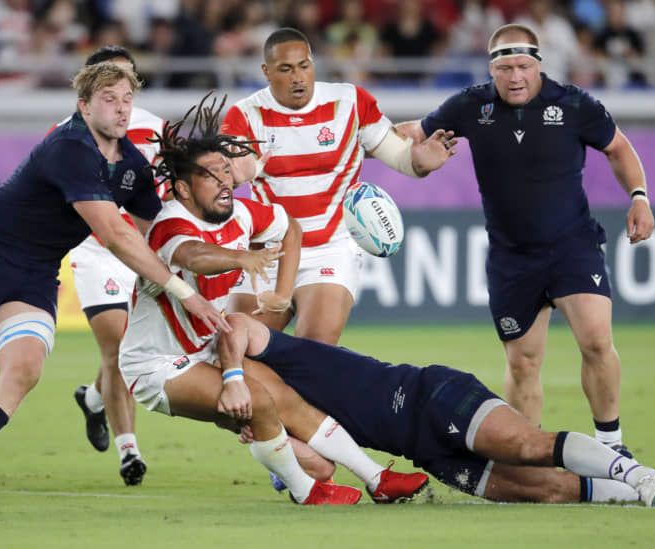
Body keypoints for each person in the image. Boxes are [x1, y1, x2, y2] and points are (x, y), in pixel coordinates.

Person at [0, 61, 228, 510]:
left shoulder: (132, 165)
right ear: (83, 106)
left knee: (24, 370)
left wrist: (216, 201)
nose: (122, 109)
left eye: (127, 99)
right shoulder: (69, 147)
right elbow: (115, 234)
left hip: (35, 273)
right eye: (109, 99)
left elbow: (153, 230)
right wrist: (185, 293)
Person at [117, 95, 431, 505]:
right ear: (182, 188)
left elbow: (292, 229)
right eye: (211, 175)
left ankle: (377, 480)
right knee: (261, 404)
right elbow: (194, 256)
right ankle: (307, 493)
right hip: (156, 365)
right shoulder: (169, 224)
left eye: (227, 170)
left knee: (289, 403)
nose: (225, 181)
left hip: (208, 348)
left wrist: (282, 294)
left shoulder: (241, 213)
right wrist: (242, 257)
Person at [397, 23, 655, 458]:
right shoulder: (469, 105)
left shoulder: (574, 104)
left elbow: (619, 148)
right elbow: (415, 133)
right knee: (523, 363)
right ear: (491, 70)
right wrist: (361, 141)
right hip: (511, 258)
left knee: (595, 339)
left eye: (523, 66)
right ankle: (526, 455)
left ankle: (611, 445)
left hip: (572, 246)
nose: (514, 76)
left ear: (539, 65)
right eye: (504, 68)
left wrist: (640, 197)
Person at [223, 312, 655, 506]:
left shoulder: (267, 353)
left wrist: (231, 377)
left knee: (529, 445)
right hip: (426, 453)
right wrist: (274, 446)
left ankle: (640, 476)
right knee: (550, 492)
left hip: (430, 395)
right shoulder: (269, 411)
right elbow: (322, 469)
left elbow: (238, 325)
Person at [220, 27, 455, 347]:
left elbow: (401, 158)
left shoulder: (350, 102)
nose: (298, 77)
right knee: (239, 350)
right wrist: (238, 173)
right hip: (268, 252)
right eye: (286, 69)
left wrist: (421, 162)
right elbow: (225, 176)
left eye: (304, 66)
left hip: (328, 249)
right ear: (266, 71)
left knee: (314, 353)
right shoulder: (245, 115)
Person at [66, 45, 165, 487]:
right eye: (107, 86)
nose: (119, 97)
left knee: (144, 350)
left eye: (126, 85)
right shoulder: (66, 135)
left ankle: (92, 398)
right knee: (118, 349)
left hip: (143, 252)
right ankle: (130, 453)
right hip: (96, 251)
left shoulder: (157, 130)